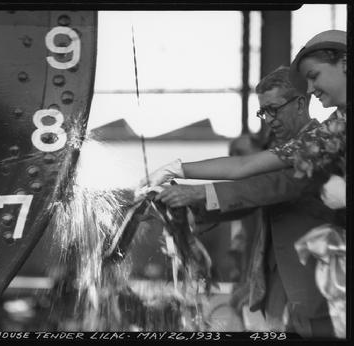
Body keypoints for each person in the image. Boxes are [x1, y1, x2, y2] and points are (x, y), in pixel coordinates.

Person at [135, 30, 347, 337]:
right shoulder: (312, 141)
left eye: (274, 109)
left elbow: (273, 186)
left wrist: (197, 191)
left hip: (322, 284)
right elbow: (245, 169)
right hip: (279, 288)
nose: (268, 119)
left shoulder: (322, 145)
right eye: (263, 112)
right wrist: (179, 179)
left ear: (300, 104)